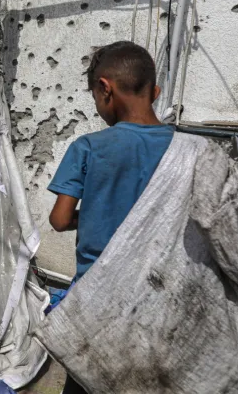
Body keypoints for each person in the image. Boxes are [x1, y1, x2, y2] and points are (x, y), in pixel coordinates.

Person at [46, 41, 174, 394]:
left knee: (88, 376)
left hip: (97, 292)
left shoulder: (88, 147)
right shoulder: (185, 147)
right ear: (155, 92)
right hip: (159, 291)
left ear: (105, 88)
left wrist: (95, 213)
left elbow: (59, 220)